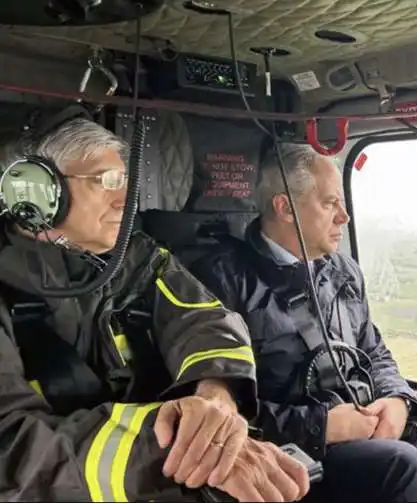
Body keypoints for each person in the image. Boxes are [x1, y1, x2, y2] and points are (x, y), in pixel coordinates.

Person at [0, 110, 309, 502]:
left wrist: (216, 397)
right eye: (107, 181)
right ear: (37, 192)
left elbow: (207, 320)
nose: (124, 200)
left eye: (126, 181)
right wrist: (174, 447)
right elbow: (10, 446)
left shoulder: (139, 257)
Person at [191, 143, 417, 503]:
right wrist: (323, 426)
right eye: (330, 203)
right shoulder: (221, 281)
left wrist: (397, 400)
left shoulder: (344, 271)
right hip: (292, 440)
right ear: (285, 207)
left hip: (359, 414)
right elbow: (222, 405)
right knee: (402, 467)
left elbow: (374, 350)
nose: (344, 218)